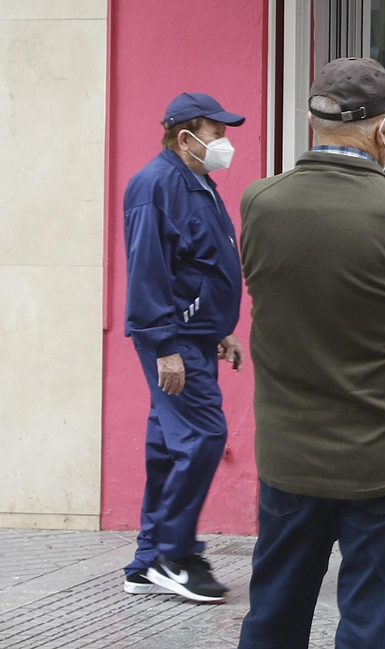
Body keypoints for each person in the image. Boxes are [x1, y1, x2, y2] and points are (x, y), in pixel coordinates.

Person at [236, 58, 385, 649]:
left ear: (313, 122)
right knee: (373, 625)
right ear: (384, 129)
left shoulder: (261, 201)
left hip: (292, 451)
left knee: (273, 617)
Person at [121, 92, 248, 603]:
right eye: (216, 133)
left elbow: (198, 264)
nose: (224, 142)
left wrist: (219, 328)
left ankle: (147, 560)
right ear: (185, 137)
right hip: (173, 341)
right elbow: (147, 270)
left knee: (167, 447)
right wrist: (164, 346)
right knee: (203, 436)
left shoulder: (196, 182)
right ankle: (175, 555)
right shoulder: (156, 185)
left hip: (193, 336)